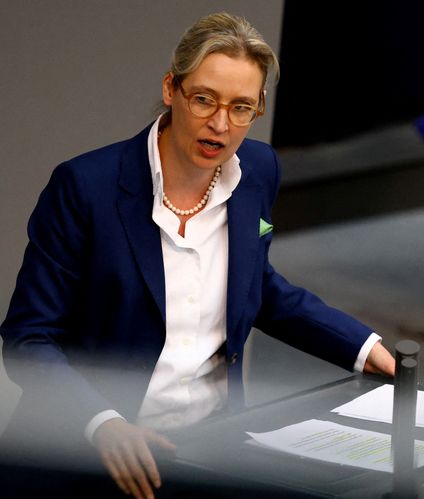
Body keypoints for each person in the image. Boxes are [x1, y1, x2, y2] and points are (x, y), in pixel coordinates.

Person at [0, 12, 395, 499]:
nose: (221, 125)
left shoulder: (258, 170)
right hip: (86, 461)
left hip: (208, 455)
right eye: (204, 99)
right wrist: (103, 424)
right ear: (171, 88)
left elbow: (256, 287)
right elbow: (27, 337)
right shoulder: (85, 188)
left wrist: (361, 347)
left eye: (242, 108)